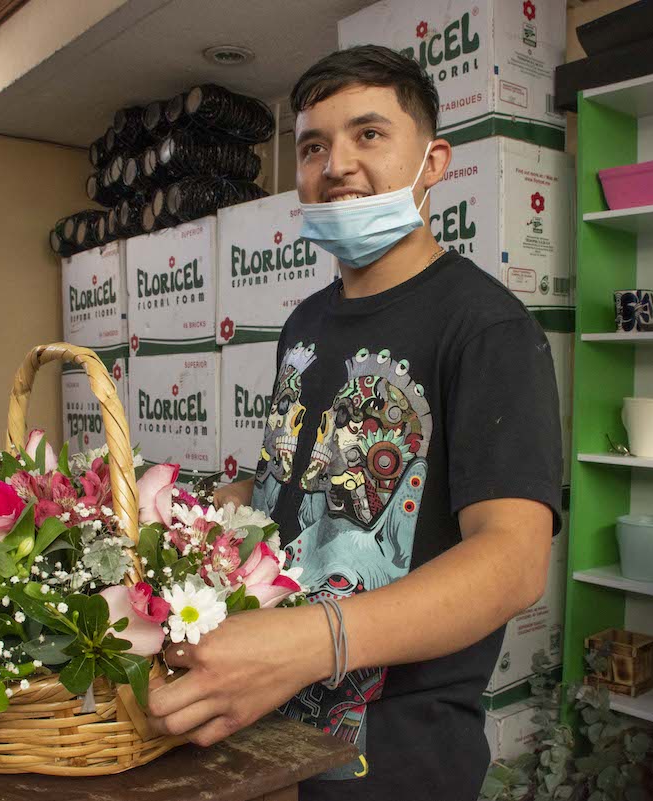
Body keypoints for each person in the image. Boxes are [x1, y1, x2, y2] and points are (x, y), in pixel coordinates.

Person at [146, 44, 563, 801]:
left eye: (367, 135)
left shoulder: (485, 327)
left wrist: (312, 642)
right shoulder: (306, 319)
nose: (335, 164)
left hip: (393, 763)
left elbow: (511, 561)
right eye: (313, 146)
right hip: (268, 736)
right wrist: (200, 515)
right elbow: (291, 487)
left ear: (432, 162)